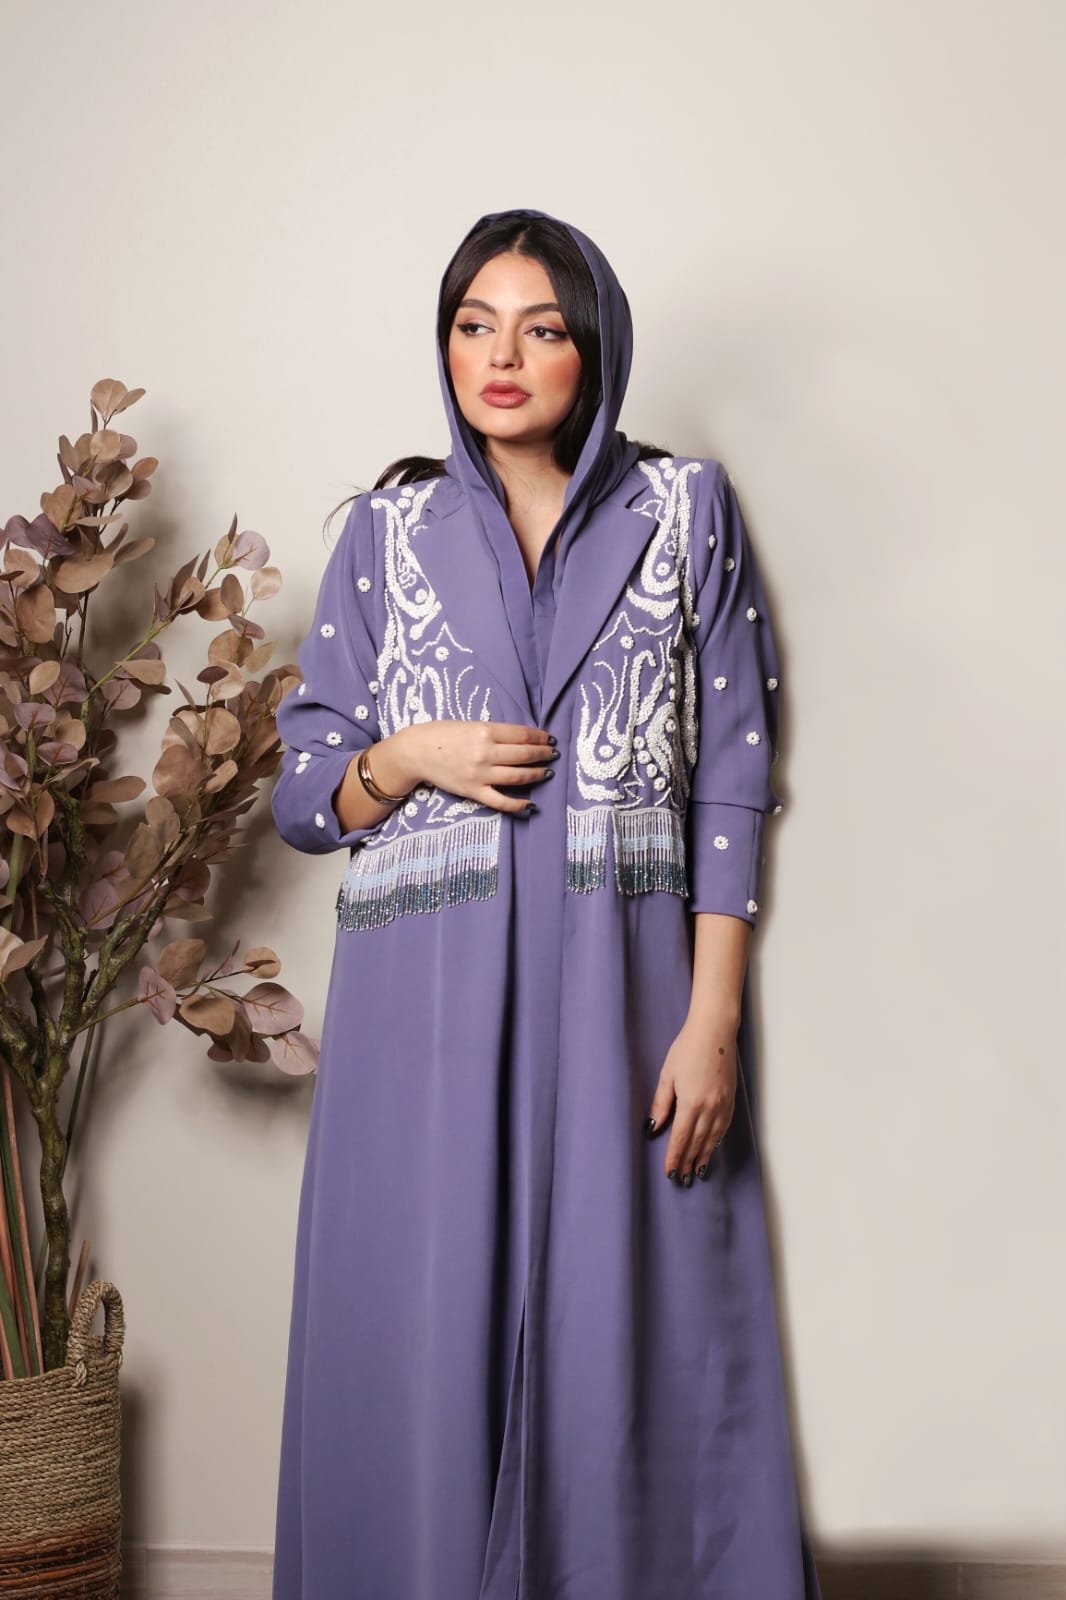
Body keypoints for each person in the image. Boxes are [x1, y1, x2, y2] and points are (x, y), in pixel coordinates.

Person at [269, 205, 821, 1599]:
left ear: (597, 350)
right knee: (423, 1344)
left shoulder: (682, 513)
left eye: (540, 328)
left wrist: (712, 1021)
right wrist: (410, 756)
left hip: (620, 999)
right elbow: (303, 796)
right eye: (474, 326)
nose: (501, 357)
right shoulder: (385, 535)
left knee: (627, 1337)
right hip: (421, 1017)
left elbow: (732, 779)